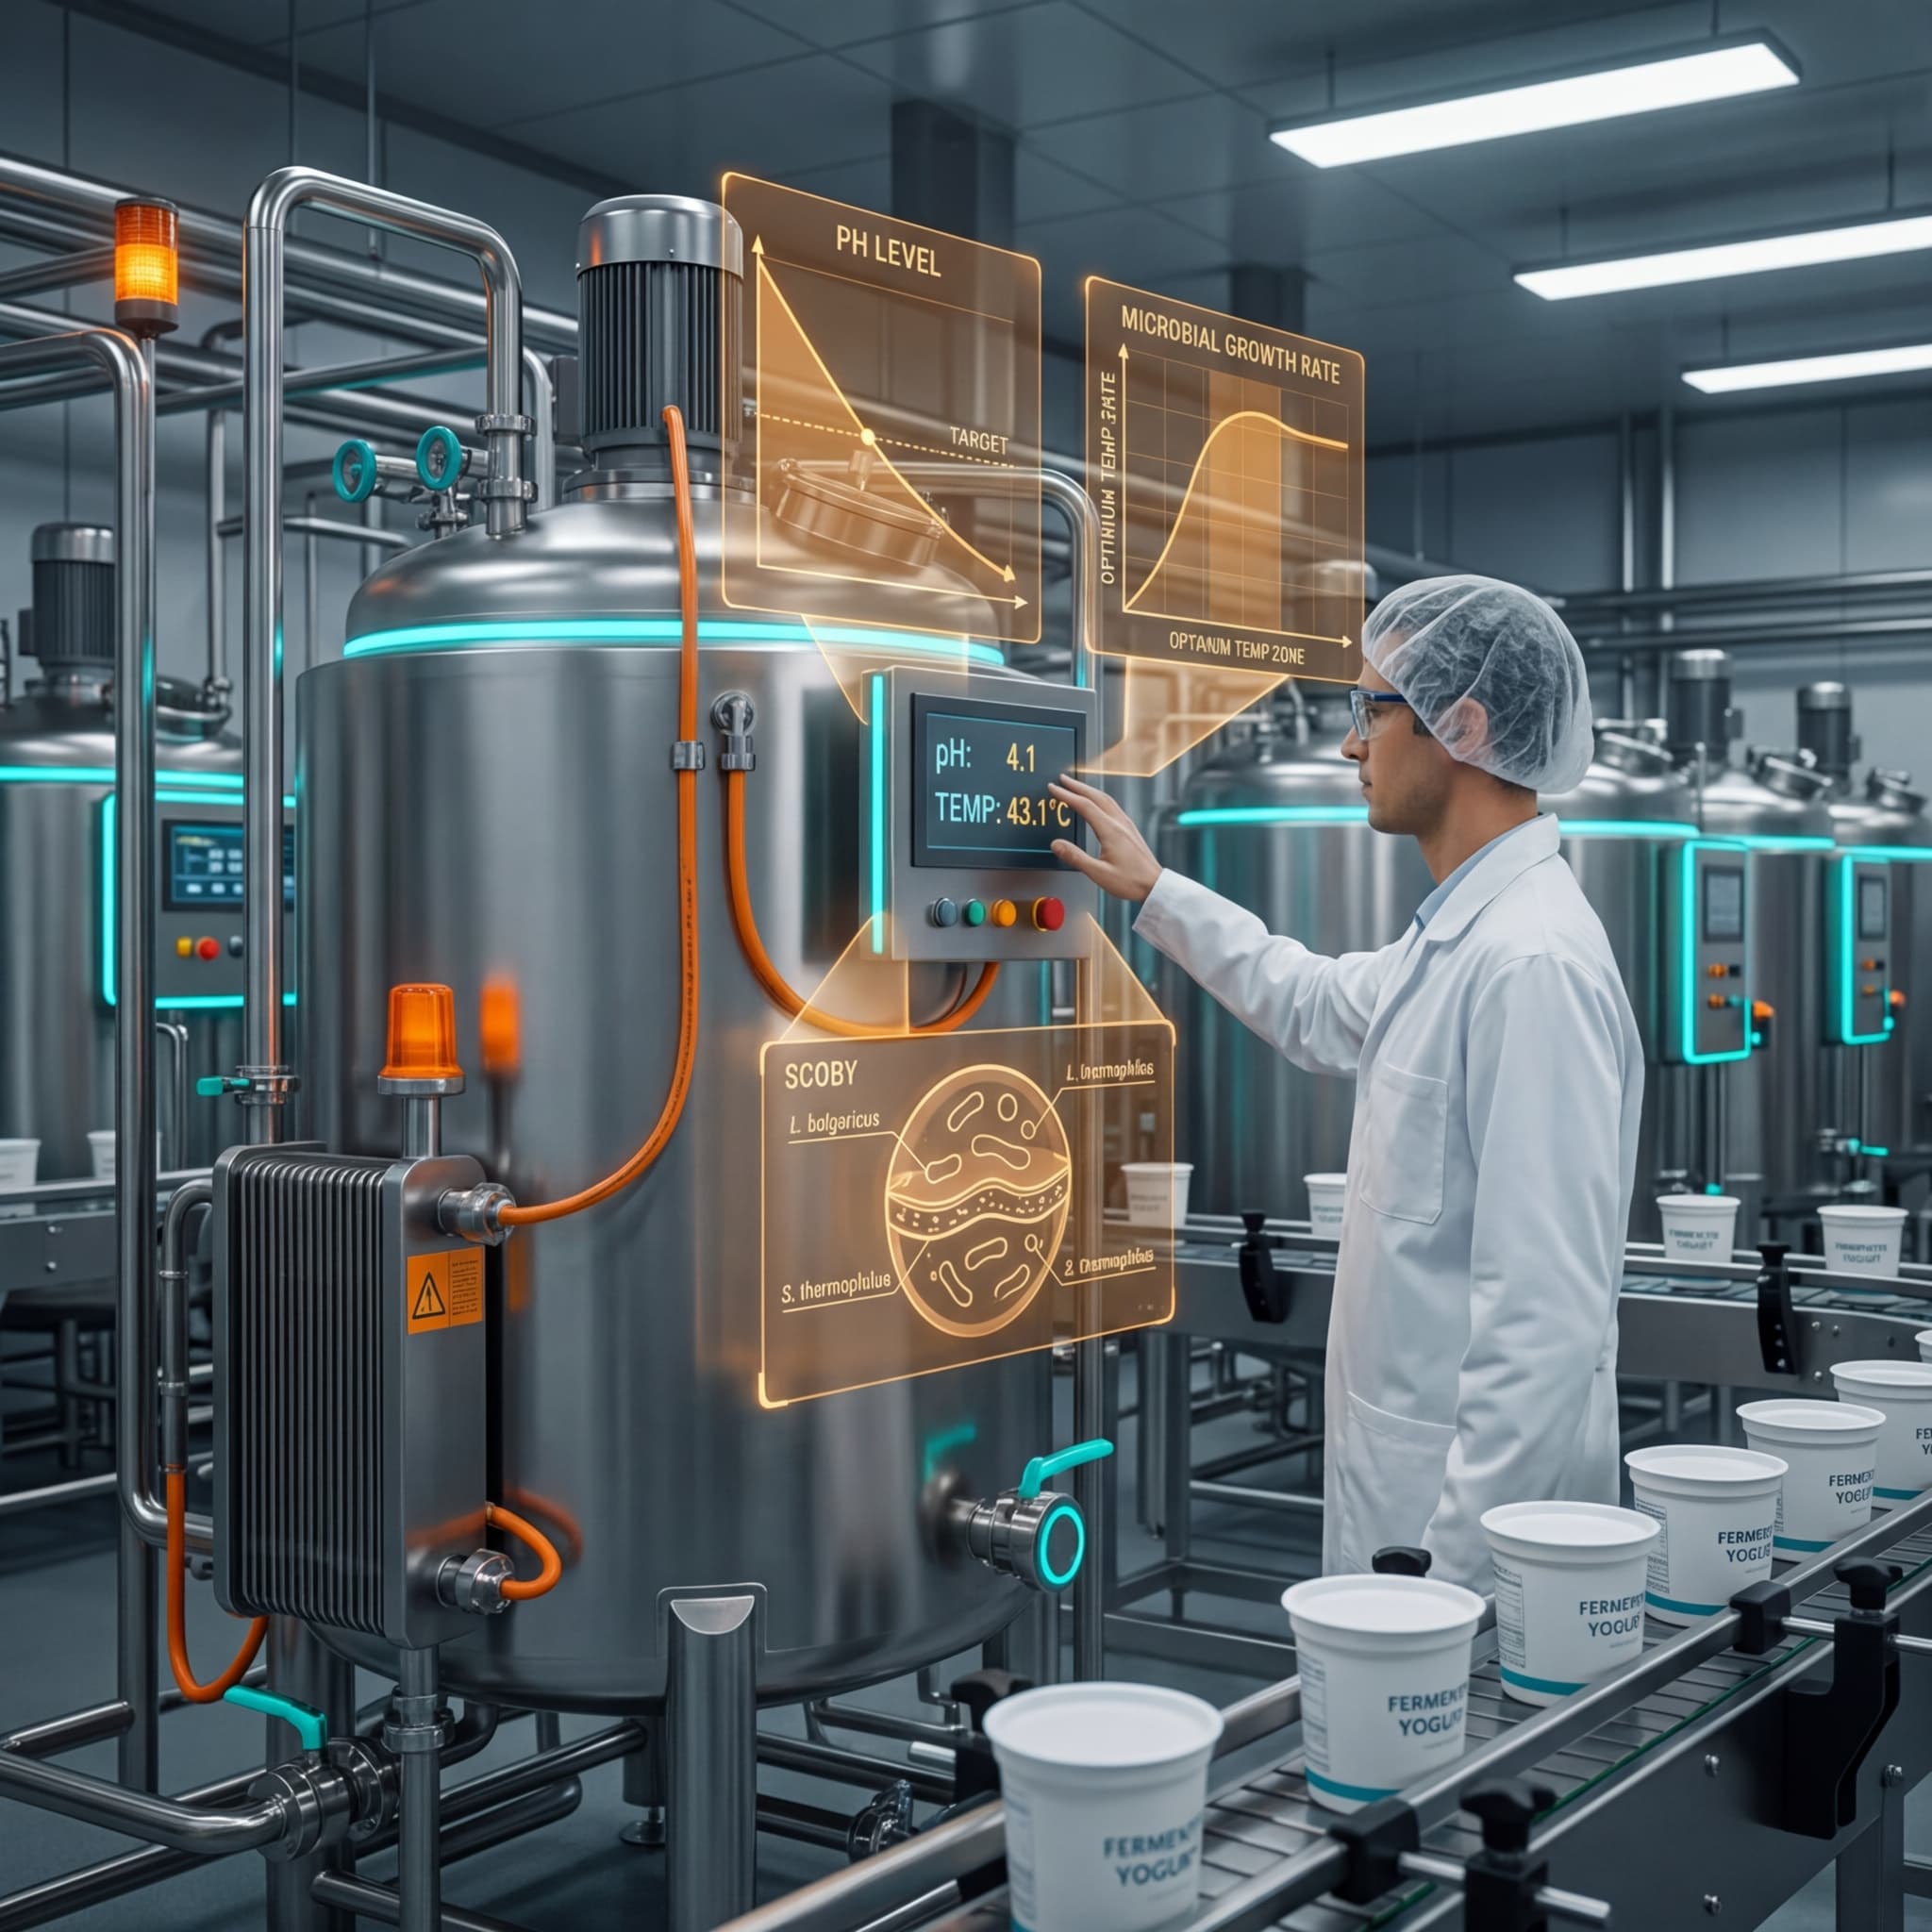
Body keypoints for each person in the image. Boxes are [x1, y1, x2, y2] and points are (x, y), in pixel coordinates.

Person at [1048, 575, 1641, 1591]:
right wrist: (1156, 889)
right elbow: (1313, 1001)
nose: (1349, 743)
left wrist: (1449, 1584)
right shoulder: (1457, 939)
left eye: (1369, 707)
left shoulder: (1528, 964)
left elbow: (1540, 1322)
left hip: (1469, 1552)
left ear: (1460, 723)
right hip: (1408, 1509)